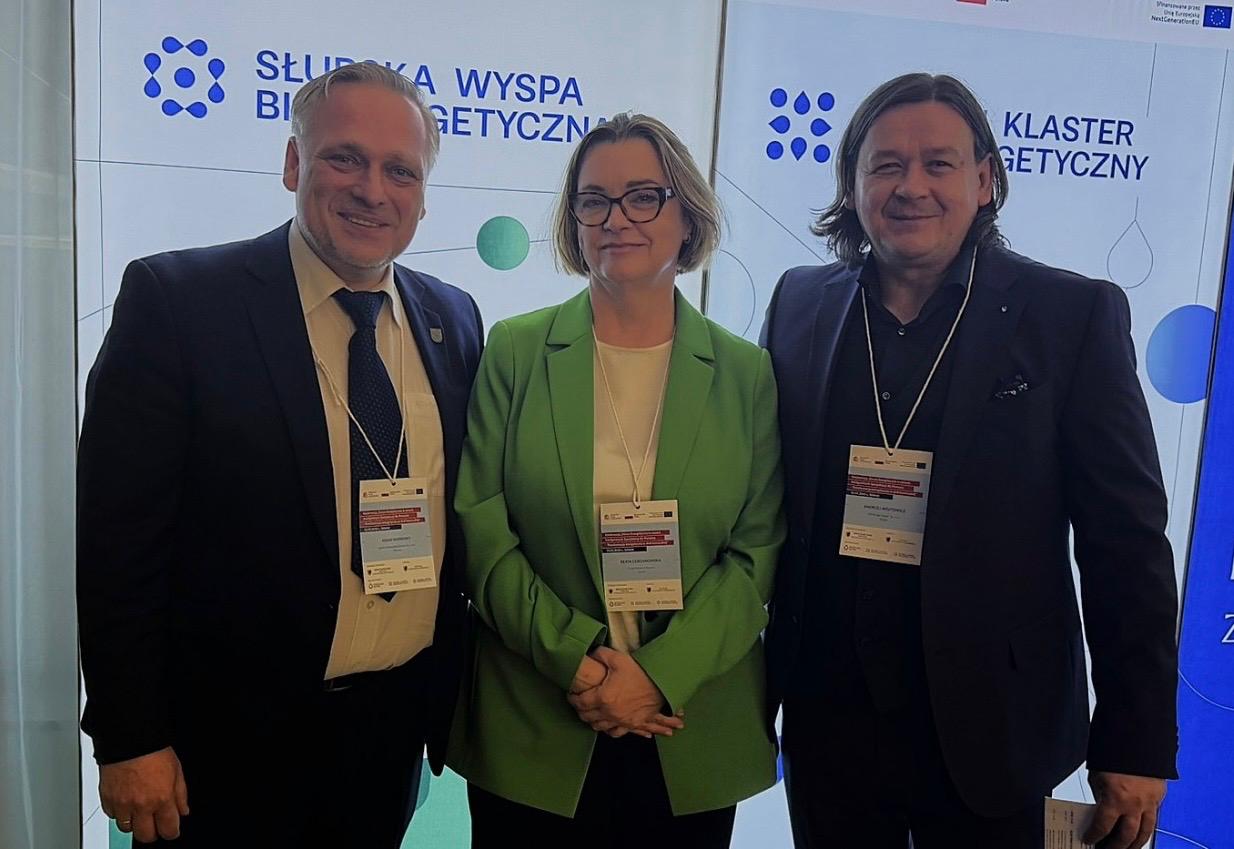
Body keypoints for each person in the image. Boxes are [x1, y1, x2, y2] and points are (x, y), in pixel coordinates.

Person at [761, 73, 1178, 849]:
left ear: (985, 179)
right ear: (852, 183)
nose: (911, 186)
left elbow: (1126, 544)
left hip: (994, 725)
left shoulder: (1070, 315)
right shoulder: (799, 304)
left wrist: (1135, 738)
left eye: (939, 164)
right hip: (829, 721)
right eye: (886, 165)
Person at [76, 63, 482, 847]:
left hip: (389, 736)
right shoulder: (179, 302)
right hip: (220, 750)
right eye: (345, 158)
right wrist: (128, 735)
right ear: (295, 163)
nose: (372, 189)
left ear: (423, 194)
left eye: (400, 170)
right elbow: (116, 544)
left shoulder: (453, 317)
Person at [447, 112, 785, 848]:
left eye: (643, 196)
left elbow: (756, 552)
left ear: (687, 214)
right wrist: (579, 661)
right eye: (594, 200)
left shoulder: (745, 372)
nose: (615, 219)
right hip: (536, 716)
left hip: (687, 722)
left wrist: (657, 675)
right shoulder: (515, 351)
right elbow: (480, 527)